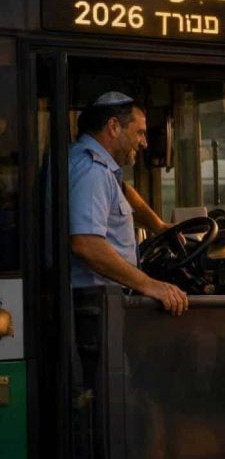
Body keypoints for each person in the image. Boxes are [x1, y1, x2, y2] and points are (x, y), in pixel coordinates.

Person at [69, 92, 188, 316]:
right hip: (96, 308)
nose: (144, 143)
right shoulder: (92, 171)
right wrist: (149, 285)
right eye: (140, 132)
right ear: (114, 127)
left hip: (97, 303)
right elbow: (86, 244)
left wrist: (159, 226)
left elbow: (122, 190)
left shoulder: (85, 163)